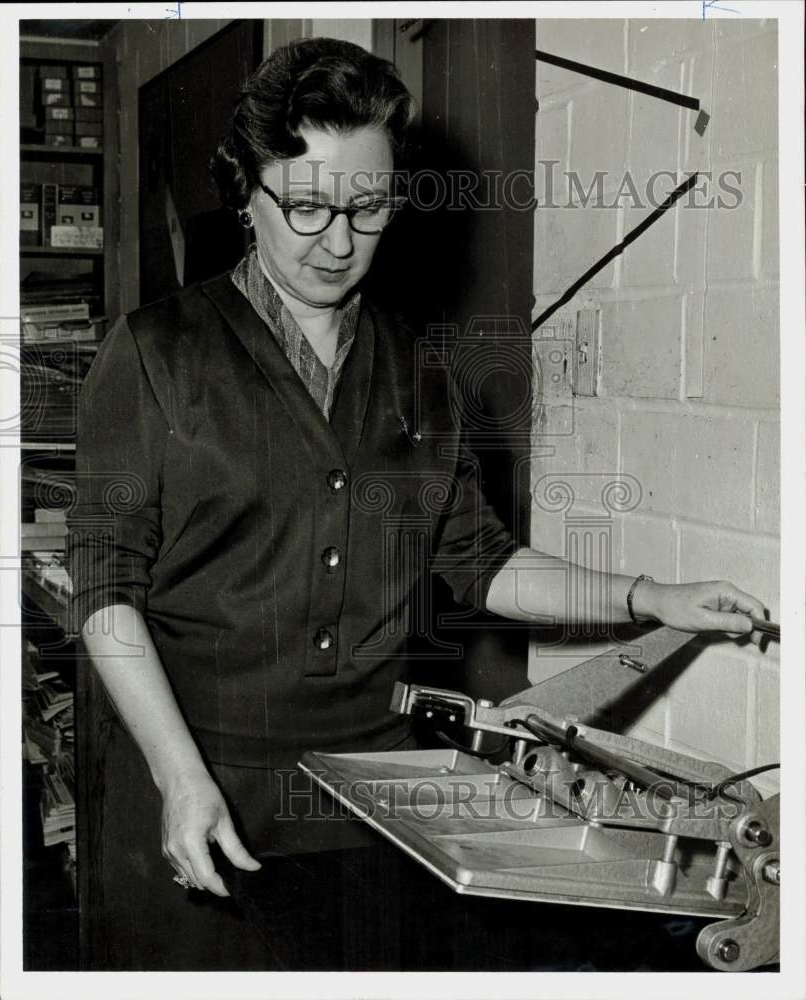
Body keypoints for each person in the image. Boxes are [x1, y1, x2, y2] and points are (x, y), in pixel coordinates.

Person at [67, 36, 766, 970]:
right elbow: (104, 585)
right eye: (306, 206)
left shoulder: (421, 368)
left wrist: (652, 597)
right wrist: (180, 776)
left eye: (367, 207)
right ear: (247, 193)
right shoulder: (154, 354)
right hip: (196, 781)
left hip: (371, 792)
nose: (338, 241)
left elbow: (483, 564)